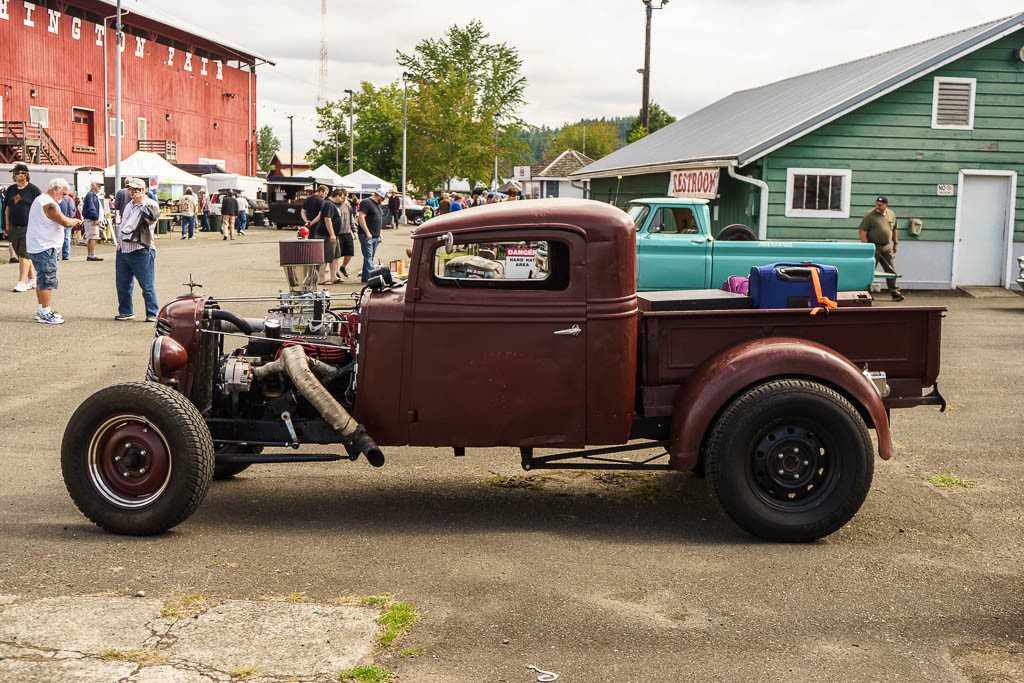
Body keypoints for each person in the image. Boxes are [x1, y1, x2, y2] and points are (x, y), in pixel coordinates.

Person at [26, 178, 81, 324]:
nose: (64, 197)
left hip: (40, 246)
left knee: (42, 279)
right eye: (63, 193)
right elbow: (65, 221)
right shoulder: (47, 202)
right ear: (55, 188)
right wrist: (75, 221)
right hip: (44, 247)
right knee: (47, 280)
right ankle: (46, 311)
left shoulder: (42, 200)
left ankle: (41, 309)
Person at [115, 179, 160, 321]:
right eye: (131, 189)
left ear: (145, 190)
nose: (133, 192)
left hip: (141, 249)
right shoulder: (129, 204)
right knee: (122, 284)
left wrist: (141, 203)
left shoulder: (151, 204)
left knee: (147, 284)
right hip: (124, 249)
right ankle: (126, 311)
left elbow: (151, 219)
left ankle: (152, 313)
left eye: (137, 189)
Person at [858, 195, 904, 302]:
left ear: (886, 205)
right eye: (877, 204)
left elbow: (895, 229)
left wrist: (896, 243)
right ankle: (866, 293)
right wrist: (867, 246)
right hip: (874, 246)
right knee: (869, 270)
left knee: (891, 270)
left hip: (887, 247)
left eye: (881, 205)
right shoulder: (870, 215)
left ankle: (894, 293)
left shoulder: (891, 214)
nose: (878, 206)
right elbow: (861, 231)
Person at [6, 164, 41, 292]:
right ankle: (32, 279)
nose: (17, 175)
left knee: (24, 254)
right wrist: (7, 226)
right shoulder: (11, 190)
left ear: (26, 174)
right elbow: (8, 209)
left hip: (29, 227)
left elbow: (40, 209)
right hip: (14, 227)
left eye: (20, 173)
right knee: (21, 253)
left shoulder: (33, 190)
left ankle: (22, 281)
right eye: (15, 173)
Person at [317, 188, 345, 284]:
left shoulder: (331, 204)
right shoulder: (329, 204)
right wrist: (332, 234)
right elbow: (327, 219)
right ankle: (322, 279)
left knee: (335, 256)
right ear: (337, 196)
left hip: (334, 235)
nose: (342, 200)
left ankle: (333, 276)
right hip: (326, 235)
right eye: (341, 198)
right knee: (326, 257)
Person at [357, 188, 386, 282]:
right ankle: (373, 279)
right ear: (379, 196)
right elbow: (361, 217)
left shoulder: (377, 204)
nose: (383, 201)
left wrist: (380, 234)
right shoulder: (366, 202)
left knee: (370, 258)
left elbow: (377, 220)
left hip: (375, 236)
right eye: (383, 198)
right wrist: (367, 232)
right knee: (368, 258)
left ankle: (366, 278)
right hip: (367, 235)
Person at [81, 181, 105, 261]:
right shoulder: (91, 195)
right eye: (98, 185)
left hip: (90, 219)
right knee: (93, 237)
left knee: (91, 237)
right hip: (91, 219)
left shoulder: (92, 195)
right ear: (93, 186)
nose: (100, 187)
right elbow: (92, 207)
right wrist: (95, 218)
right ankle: (92, 255)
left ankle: (90, 254)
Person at [58, 191, 78, 260]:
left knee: (58, 239)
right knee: (67, 238)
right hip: (69, 221)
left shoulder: (59, 199)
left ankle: (57, 255)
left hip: (60, 221)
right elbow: (75, 210)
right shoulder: (71, 199)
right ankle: (66, 255)